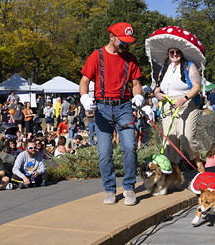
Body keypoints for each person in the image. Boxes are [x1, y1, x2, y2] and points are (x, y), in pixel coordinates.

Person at [79, 22, 143, 205]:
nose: (126, 46)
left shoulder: (131, 59)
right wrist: (84, 98)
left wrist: (138, 98)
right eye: (122, 41)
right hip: (101, 108)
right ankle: (109, 189)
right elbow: (84, 81)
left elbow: (136, 84)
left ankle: (129, 187)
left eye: (128, 43)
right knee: (105, 152)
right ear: (112, 37)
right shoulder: (96, 56)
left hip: (124, 107)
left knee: (130, 147)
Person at [154, 47, 205, 173]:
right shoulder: (164, 68)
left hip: (186, 104)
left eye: (177, 52)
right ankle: (172, 171)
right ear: (168, 54)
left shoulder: (189, 66)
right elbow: (157, 87)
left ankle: (198, 161)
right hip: (168, 105)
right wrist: (157, 94)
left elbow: (197, 86)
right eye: (172, 52)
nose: (175, 54)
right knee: (170, 140)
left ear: (182, 53)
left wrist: (184, 98)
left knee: (185, 137)